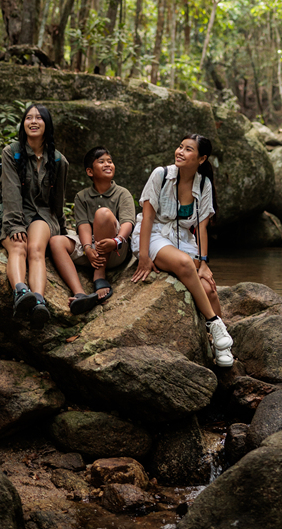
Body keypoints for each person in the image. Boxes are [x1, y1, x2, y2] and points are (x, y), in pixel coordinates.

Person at [130, 133, 234, 366]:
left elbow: (202, 227)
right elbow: (147, 217)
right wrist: (144, 256)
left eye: (188, 149)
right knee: (186, 265)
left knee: (209, 288)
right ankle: (216, 327)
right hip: (154, 234)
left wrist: (204, 263)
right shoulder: (161, 175)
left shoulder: (203, 184)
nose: (180, 152)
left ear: (201, 158)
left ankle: (220, 348)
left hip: (183, 239)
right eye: (180, 147)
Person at [1, 103, 97, 323]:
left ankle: (39, 302)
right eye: (28, 118)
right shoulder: (11, 153)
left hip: (42, 215)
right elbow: (11, 192)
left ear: (47, 125)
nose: (33, 122)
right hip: (14, 214)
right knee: (18, 245)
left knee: (35, 248)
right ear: (23, 123)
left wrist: (62, 230)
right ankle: (20, 291)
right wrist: (15, 225)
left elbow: (57, 200)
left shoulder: (58, 160)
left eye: (39, 118)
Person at [74, 146, 135, 303]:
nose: (108, 164)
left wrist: (117, 240)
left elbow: (128, 221)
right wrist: (87, 248)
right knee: (56, 242)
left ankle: (99, 274)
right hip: (92, 252)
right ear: (90, 172)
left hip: (115, 249)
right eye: (102, 161)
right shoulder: (82, 196)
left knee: (103, 213)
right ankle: (79, 292)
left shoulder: (122, 193)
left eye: (110, 161)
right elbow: (83, 225)